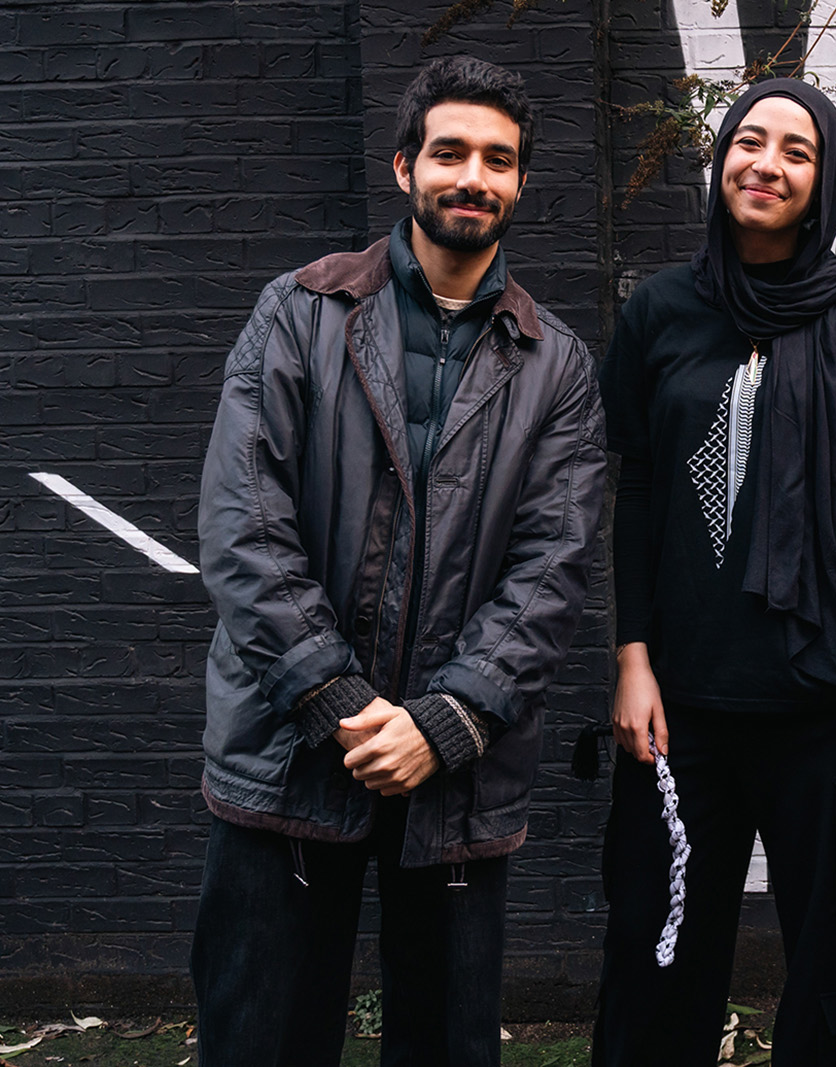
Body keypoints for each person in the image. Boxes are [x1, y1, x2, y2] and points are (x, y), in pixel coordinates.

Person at [190, 56, 606, 1067]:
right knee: (263, 1036)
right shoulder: (299, 310)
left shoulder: (556, 364)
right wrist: (338, 703)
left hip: (454, 772)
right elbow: (244, 523)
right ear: (404, 165)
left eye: (497, 159)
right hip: (290, 750)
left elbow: (554, 562)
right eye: (451, 151)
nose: (473, 176)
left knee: (446, 1044)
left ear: (518, 183)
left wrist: (446, 720)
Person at [591, 78, 836, 1066]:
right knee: (660, 955)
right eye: (749, 141)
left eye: (797, 151)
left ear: (824, 185)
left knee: (835, 963)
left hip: (825, 698)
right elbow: (638, 487)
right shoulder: (660, 310)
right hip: (682, 701)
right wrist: (633, 655)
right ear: (721, 157)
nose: (766, 163)